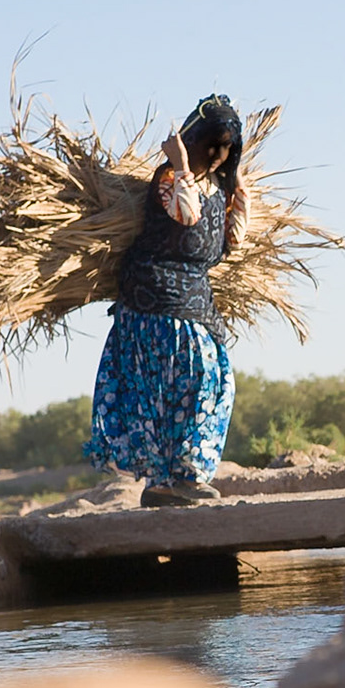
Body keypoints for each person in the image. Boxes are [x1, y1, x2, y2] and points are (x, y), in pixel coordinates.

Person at [85, 95, 249, 507]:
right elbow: (186, 216)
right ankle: (168, 480)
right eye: (211, 147)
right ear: (191, 141)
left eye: (225, 150)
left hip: (194, 302)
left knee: (215, 382)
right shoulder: (169, 180)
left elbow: (234, 238)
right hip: (153, 301)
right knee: (182, 385)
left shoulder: (214, 187)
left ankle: (179, 478)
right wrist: (178, 164)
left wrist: (239, 183)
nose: (216, 158)